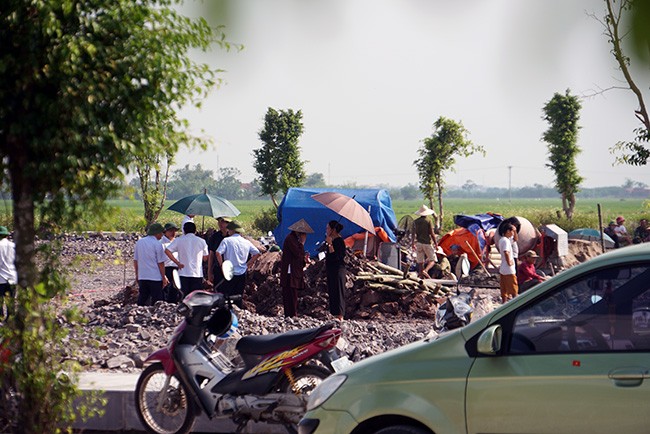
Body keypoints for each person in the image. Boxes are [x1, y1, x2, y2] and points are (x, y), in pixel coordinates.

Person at [216, 220, 261, 308]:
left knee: (228, 296)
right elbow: (257, 253)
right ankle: (238, 314)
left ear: (231, 230)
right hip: (242, 272)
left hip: (229, 272)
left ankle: (228, 313)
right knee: (238, 296)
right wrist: (248, 264)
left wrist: (222, 266)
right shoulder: (246, 242)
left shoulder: (227, 240)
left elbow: (218, 253)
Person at [165, 221, 209, 298]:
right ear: (195, 230)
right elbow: (205, 258)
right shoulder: (202, 241)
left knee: (184, 297)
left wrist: (177, 263)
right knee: (195, 297)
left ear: (184, 231)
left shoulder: (179, 240)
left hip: (183, 272)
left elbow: (167, 251)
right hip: (197, 273)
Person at [279, 219, 313, 317]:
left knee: (292, 294)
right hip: (290, 271)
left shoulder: (293, 239)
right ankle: (291, 314)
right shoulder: (291, 239)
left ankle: (291, 313)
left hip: (293, 270)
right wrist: (302, 244)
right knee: (290, 293)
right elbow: (297, 254)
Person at [134, 223, 169, 306]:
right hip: (155, 277)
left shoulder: (140, 242)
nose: (162, 236)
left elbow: (136, 260)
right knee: (157, 301)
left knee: (142, 298)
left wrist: (137, 274)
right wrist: (163, 277)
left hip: (143, 276)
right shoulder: (157, 244)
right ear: (157, 233)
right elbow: (160, 263)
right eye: (161, 233)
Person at [325, 220, 347, 320]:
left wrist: (330, 245)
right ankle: (334, 313)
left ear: (333, 230)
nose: (326, 230)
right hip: (331, 270)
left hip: (338, 270)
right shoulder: (331, 240)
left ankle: (340, 314)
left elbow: (337, 257)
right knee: (332, 291)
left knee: (338, 292)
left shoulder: (339, 241)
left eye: (328, 228)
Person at [413, 204, 438, 279]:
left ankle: (421, 275)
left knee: (420, 261)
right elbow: (432, 233)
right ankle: (425, 271)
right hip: (427, 243)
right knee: (433, 260)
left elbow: (413, 233)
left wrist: (412, 243)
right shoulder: (428, 221)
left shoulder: (415, 221)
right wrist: (436, 243)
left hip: (419, 243)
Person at [160, 222, 181, 302]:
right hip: (166, 267)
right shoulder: (161, 243)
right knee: (166, 289)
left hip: (176, 267)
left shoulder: (177, 241)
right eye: (171, 231)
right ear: (165, 232)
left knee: (176, 289)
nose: (173, 233)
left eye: (175, 231)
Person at [208, 216, 231, 288]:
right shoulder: (215, 237)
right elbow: (211, 255)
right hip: (218, 269)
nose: (220, 224)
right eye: (219, 222)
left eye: (223, 222)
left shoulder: (232, 237)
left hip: (230, 268)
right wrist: (209, 271)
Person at [498, 223, 518, 303]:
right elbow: (506, 252)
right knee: (513, 287)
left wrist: (515, 230)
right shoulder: (506, 241)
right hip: (508, 268)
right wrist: (509, 262)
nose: (513, 233)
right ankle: (515, 302)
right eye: (512, 231)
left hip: (503, 268)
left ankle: (504, 302)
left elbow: (515, 239)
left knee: (504, 288)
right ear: (508, 231)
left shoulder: (503, 240)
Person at [0, 226, 16, 319]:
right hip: (12, 277)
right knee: (11, 301)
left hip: (1, 278)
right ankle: (10, 320)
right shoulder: (13, 245)